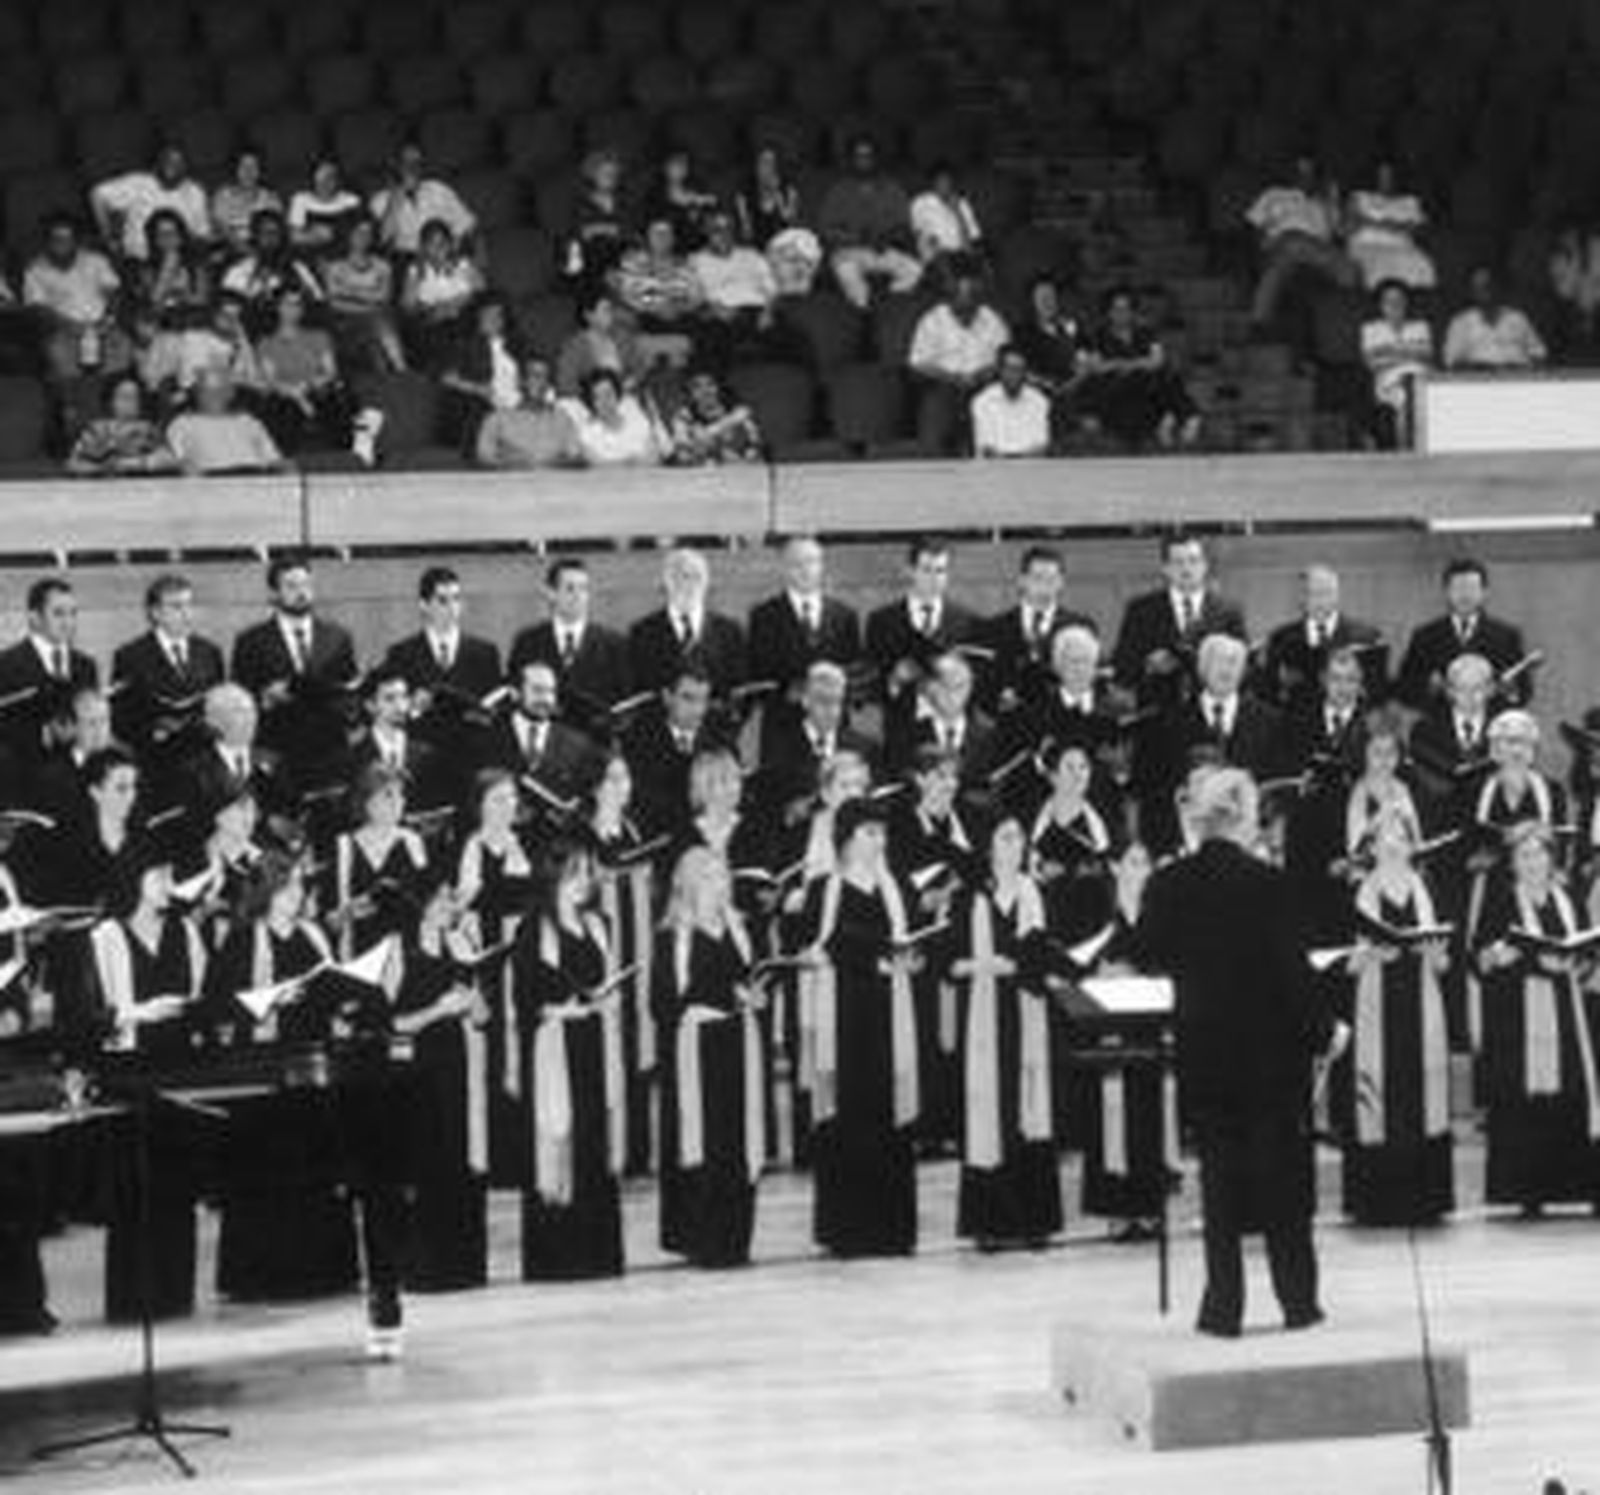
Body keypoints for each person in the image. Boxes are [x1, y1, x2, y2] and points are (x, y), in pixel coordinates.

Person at [1132, 767, 1346, 1336]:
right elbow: (1291, 972)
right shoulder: (1268, 883)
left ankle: (1222, 1308)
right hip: (1270, 1057)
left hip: (1205, 1048)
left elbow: (1147, 953)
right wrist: (1326, 1029)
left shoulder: (1169, 882)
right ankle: (1298, 1303)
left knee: (1219, 1182)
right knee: (1284, 1182)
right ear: (1246, 817)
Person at [89, 858, 208, 1322]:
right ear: (135, 882)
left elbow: (201, 993)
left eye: (170, 877)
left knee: (177, 1184)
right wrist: (141, 1012)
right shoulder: (107, 937)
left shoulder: (186, 932)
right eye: (159, 877)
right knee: (134, 1184)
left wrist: (186, 1011)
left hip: (177, 1064)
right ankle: (134, 1298)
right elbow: (98, 1012)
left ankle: (176, 1294)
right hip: (131, 1067)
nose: (169, 885)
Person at [802, 798, 921, 1257]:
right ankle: (847, 1231)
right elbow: (822, 945)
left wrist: (912, 958)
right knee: (848, 1118)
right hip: (847, 1018)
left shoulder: (897, 887)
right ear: (848, 838)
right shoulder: (825, 889)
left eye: (882, 833)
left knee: (888, 1116)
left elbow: (914, 942)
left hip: (890, 1013)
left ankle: (891, 1229)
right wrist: (873, 956)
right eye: (870, 832)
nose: (880, 841)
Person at [1474, 822, 1600, 1217]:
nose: (1533, 861)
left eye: (1540, 853)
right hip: (1518, 1018)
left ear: (1551, 858)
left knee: (1572, 1094)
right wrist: (1498, 956)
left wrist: (1576, 961)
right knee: (1523, 1102)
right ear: (1513, 862)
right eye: (1524, 855)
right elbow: (1479, 956)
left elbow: (1588, 951)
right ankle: (1527, 1191)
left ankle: (1579, 1186)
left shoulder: (1570, 899)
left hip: (1567, 1011)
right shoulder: (1500, 900)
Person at [513, 840, 625, 1280]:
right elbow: (524, 1001)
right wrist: (564, 1009)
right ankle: (557, 1259)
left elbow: (609, 980)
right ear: (554, 878)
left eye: (588, 874)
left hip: (596, 1044)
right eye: (575, 874)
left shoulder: (601, 925)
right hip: (555, 1049)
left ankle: (599, 1254)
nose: (585, 883)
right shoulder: (531, 930)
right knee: (560, 1137)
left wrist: (608, 1001)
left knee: (595, 1140)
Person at [1338, 810, 1455, 1226]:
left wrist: (1436, 954)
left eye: (1400, 835)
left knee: (1420, 1092)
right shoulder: (1356, 894)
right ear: (1370, 846)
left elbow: (1444, 962)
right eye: (1383, 836)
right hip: (1376, 1005)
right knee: (1380, 1095)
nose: (1391, 842)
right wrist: (1369, 955)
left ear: (1411, 843)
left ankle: (1425, 1201)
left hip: (1420, 1003)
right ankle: (1378, 1202)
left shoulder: (1428, 889)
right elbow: (1343, 965)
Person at [952, 813, 1061, 1248]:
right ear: (989, 845)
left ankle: (1033, 1220)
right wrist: (974, 966)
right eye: (1005, 836)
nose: (1014, 844)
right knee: (989, 1107)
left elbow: (1041, 955)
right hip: (984, 1014)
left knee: (1027, 1107)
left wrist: (1013, 965)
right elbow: (950, 957)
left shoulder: (1034, 893)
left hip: (1023, 1008)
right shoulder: (970, 898)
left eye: (1019, 837)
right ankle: (990, 1223)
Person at [655, 846, 766, 1266]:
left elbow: (750, 980)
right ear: (688, 884)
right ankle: (702, 1238)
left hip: (738, 1042)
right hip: (696, 1050)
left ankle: (736, 1236)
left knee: (738, 1140)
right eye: (710, 878)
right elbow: (661, 1003)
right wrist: (694, 1008)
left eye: (723, 877)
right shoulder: (672, 937)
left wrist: (753, 997)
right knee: (704, 1141)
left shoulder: (740, 929)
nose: (720, 886)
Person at [392, 880, 492, 1291]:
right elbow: (393, 1024)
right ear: (425, 904)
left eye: (453, 898)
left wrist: (473, 1000)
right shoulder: (400, 950)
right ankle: (425, 1268)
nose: (453, 905)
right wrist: (439, 1010)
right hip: (417, 1069)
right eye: (445, 898)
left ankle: (464, 1266)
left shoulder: (462, 942)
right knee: (426, 1163)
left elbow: (483, 1017)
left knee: (460, 1159)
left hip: (459, 1064)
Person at [455, 768, 536, 1187]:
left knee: (519, 1048)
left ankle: (521, 1154)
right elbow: (465, 904)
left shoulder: (522, 844)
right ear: (481, 805)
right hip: (488, 957)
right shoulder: (473, 847)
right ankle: (496, 1158)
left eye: (510, 799)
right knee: (493, 1054)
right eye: (497, 800)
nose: (506, 807)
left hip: (517, 956)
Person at [229, 554, 360, 786]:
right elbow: (238, 701)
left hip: (329, 749)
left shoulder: (338, 637)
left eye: (306, 585)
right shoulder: (250, 641)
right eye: (291, 586)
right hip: (277, 751)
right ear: (273, 594)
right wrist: (265, 698)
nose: (301, 593)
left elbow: (350, 692)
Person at [508, 557, 634, 731]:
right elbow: (515, 697)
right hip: (545, 744)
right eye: (570, 588)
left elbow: (624, 703)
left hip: (596, 744)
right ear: (551, 593)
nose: (578, 596)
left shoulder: (614, 644)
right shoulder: (527, 642)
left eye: (583, 589)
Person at [1396, 557, 1531, 711]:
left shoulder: (1506, 636)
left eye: (1472, 588)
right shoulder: (1425, 636)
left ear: (1485, 592)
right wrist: (1430, 686)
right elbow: (1404, 690)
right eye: (1458, 588)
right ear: (1446, 592)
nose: (1465, 595)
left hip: (1490, 727)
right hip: (1438, 727)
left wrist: (1506, 689)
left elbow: (1523, 693)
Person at [1075, 285, 1200, 450]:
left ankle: (1185, 417)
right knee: (1103, 383)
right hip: (1115, 391)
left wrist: (1126, 364)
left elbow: (1158, 359)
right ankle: (1169, 417)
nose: (1121, 313)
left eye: (1126, 308)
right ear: (1108, 312)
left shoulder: (1145, 332)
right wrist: (1135, 363)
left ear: (1133, 311)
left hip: (1143, 387)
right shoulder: (1098, 336)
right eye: (1116, 309)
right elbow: (1097, 366)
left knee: (1167, 376)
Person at [907, 260, 1010, 454]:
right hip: (944, 385)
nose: (967, 306)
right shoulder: (932, 320)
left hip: (983, 384)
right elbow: (917, 363)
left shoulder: (991, 318)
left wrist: (982, 374)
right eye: (961, 300)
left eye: (971, 300)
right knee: (935, 412)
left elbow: (1006, 358)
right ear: (950, 299)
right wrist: (953, 378)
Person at [1244, 155, 1358, 330]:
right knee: (1292, 245)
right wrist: (1263, 243)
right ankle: (1259, 324)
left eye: (1310, 172)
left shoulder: (1322, 203)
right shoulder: (1274, 194)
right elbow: (1253, 224)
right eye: (1301, 171)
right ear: (1291, 173)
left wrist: (1334, 201)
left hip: (1320, 250)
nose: (1305, 176)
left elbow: (1342, 232)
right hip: (1284, 243)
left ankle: (1348, 324)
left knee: (1350, 269)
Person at [863, 536, 980, 706]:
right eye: (926, 570)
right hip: (900, 726)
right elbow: (869, 688)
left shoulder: (969, 622)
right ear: (910, 571)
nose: (934, 578)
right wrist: (894, 680)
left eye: (940, 570)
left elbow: (978, 687)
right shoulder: (881, 622)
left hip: (951, 727)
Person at [628, 546, 748, 701]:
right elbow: (638, 691)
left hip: (716, 723)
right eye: (684, 576)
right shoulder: (642, 632)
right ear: (668, 582)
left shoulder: (730, 631)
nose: (692, 585)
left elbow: (740, 690)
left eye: (698, 577)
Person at [818, 135, 921, 310]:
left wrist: (888, 238)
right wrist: (854, 237)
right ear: (851, 160)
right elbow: (825, 230)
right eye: (859, 156)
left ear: (876, 159)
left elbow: (904, 227)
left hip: (883, 249)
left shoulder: (892, 187)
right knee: (847, 273)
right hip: (849, 251)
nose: (864, 161)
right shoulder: (839, 190)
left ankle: (887, 308)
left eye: (868, 156)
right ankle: (864, 315)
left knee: (915, 270)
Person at [22, 213, 127, 384]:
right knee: (63, 365)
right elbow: (39, 309)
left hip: (102, 327)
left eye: (67, 238)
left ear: (76, 240)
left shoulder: (96, 260)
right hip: (63, 331)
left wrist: (108, 319)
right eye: (56, 239)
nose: (62, 243)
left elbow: (114, 293)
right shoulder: (35, 270)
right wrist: (73, 327)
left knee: (122, 353)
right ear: (47, 241)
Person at [257, 285, 360, 455]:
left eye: (297, 305)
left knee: (335, 398)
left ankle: (345, 454)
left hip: (317, 389)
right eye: (287, 304)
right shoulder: (267, 343)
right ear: (277, 307)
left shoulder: (319, 336)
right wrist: (297, 396)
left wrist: (309, 385)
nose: (293, 310)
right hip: (287, 394)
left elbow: (330, 372)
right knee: (281, 406)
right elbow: (271, 379)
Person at [90, 144, 212, 263]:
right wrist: (108, 237)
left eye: (179, 162)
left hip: (177, 263)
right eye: (168, 160)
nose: (172, 166)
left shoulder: (195, 192)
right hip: (137, 260)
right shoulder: (138, 183)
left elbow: (202, 233)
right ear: (158, 163)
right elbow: (97, 195)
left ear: (186, 166)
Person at [399, 218, 485, 373]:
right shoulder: (416, 270)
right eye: (432, 243)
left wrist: (458, 303)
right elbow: (407, 306)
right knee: (430, 333)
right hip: (433, 320)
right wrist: (434, 310)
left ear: (451, 244)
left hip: (464, 314)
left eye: (443, 242)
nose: (439, 248)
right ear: (424, 247)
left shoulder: (463, 264)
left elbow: (482, 290)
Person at [165, 369, 287, 476]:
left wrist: (285, 467)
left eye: (219, 391)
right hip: (211, 482)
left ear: (230, 394)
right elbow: (174, 460)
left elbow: (273, 459)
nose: (213, 398)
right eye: (206, 392)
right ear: (196, 394)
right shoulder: (182, 425)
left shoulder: (248, 422)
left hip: (255, 478)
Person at [370, 140, 478, 260]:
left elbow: (467, 222)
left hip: (445, 253)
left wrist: (452, 247)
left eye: (417, 163)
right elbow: (383, 239)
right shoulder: (380, 200)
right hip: (408, 259)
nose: (412, 168)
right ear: (396, 165)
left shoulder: (438, 189)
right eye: (406, 162)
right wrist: (398, 196)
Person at [323, 215, 405, 374]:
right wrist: (368, 297)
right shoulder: (335, 267)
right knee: (378, 320)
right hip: (345, 320)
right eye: (359, 233)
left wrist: (349, 292)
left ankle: (399, 371)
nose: (364, 238)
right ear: (348, 235)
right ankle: (401, 368)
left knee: (378, 336)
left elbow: (383, 297)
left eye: (368, 233)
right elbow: (333, 301)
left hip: (375, 319)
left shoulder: (383, 266)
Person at [475, 355, 585, 469]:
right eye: (535, 376)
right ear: (522, 381)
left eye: (546, 378)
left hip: (554, 482)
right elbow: (485, 461)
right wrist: (519, 466)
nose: (541, 383)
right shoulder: (497, 420)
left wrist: (545, 466)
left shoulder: (562, 419)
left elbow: (576, 459)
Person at [1344, 161, 1436, 291]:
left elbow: (1422, 229)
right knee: (1381, 264)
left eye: (1390, 175)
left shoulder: (1410, 201)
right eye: (1381, 175)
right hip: (1368, 245)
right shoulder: (1360, 197)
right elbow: (1347, 227)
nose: (1385, 180)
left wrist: (1374, 222)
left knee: (1420, 262)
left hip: (1402, 247)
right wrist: (1389, 225)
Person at [66, 374, 180, 476]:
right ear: (112, 401)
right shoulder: (96, 429)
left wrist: (135, 464)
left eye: (134, 398)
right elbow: (73, 464)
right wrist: (103, 468)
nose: (129, 403)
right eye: (124, 397)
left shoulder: (148, 429)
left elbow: (171, 460)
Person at [1443, 266, 1548, 371]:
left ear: (1497, 286)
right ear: (1471, 292)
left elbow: (1539, 354)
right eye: (1479, 287)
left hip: (1518, 378)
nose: (1484, 290)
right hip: (1478, 381)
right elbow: (1451, 362)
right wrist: (1482, 369)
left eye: (1488, 285)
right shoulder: (1460, 322)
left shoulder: (1517, 318)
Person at [566, 368, 670, 466]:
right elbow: (595, 462)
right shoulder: (588, 434)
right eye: (597, 397)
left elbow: (658, 454)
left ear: (617, 394)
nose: (605, 402)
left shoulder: (639, 423)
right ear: (592, 403)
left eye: (608, 395)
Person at [970, 343, 1052, 459]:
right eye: (1010, 369)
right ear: (1000, 370)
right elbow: (986, 448)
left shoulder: (1039, 400)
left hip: (1031, 468)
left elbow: (1041, 446)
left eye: (1020, 370)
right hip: (993, 469)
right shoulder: (983, 401)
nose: (1015, 375)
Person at [667, 367, 763, 465]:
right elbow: (683, 454)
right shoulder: (683, 417)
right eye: (697, 386)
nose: (705, 391)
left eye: (710, 384)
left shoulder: (740, 413)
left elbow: (755, 449)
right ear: (689, 391)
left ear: (719, 387)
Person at [211, 149, 282, 259]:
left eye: (253, 167)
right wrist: (246, 250)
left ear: (260, 171)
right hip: (231, 250)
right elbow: (223, 230)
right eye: (243, 167)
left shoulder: (270, 198)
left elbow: (275, 231)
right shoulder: (223, 196)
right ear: (235, 170)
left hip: (264, 251)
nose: (248, 172)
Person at [288, 157, 365, 258]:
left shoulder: (351, 201)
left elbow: (360, 234)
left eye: (330, 177)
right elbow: (295, 237)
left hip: (344, 259)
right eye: (321, 178)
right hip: (310, 257)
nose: (325, 183)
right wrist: (315, 237)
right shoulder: (301, 200)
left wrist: (333, 234)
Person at [910, 163, 984, 267]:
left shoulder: (962, 203)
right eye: (940, 180)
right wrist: (928, 241)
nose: (944, 184)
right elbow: (916, 231)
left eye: (947, 181)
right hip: (936, 256)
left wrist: (957, 212)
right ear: (933, 182)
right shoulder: (921, 202)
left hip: (960, 256)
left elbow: (970, 243)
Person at [735, 144, 804, 249]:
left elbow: (792, 226)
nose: (766, 169)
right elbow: (746, 234)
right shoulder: (743, 196)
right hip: (755, 252)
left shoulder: (789, 192)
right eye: (762, 163)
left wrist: (778, 197)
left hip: (784, 250)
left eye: (771, 163)